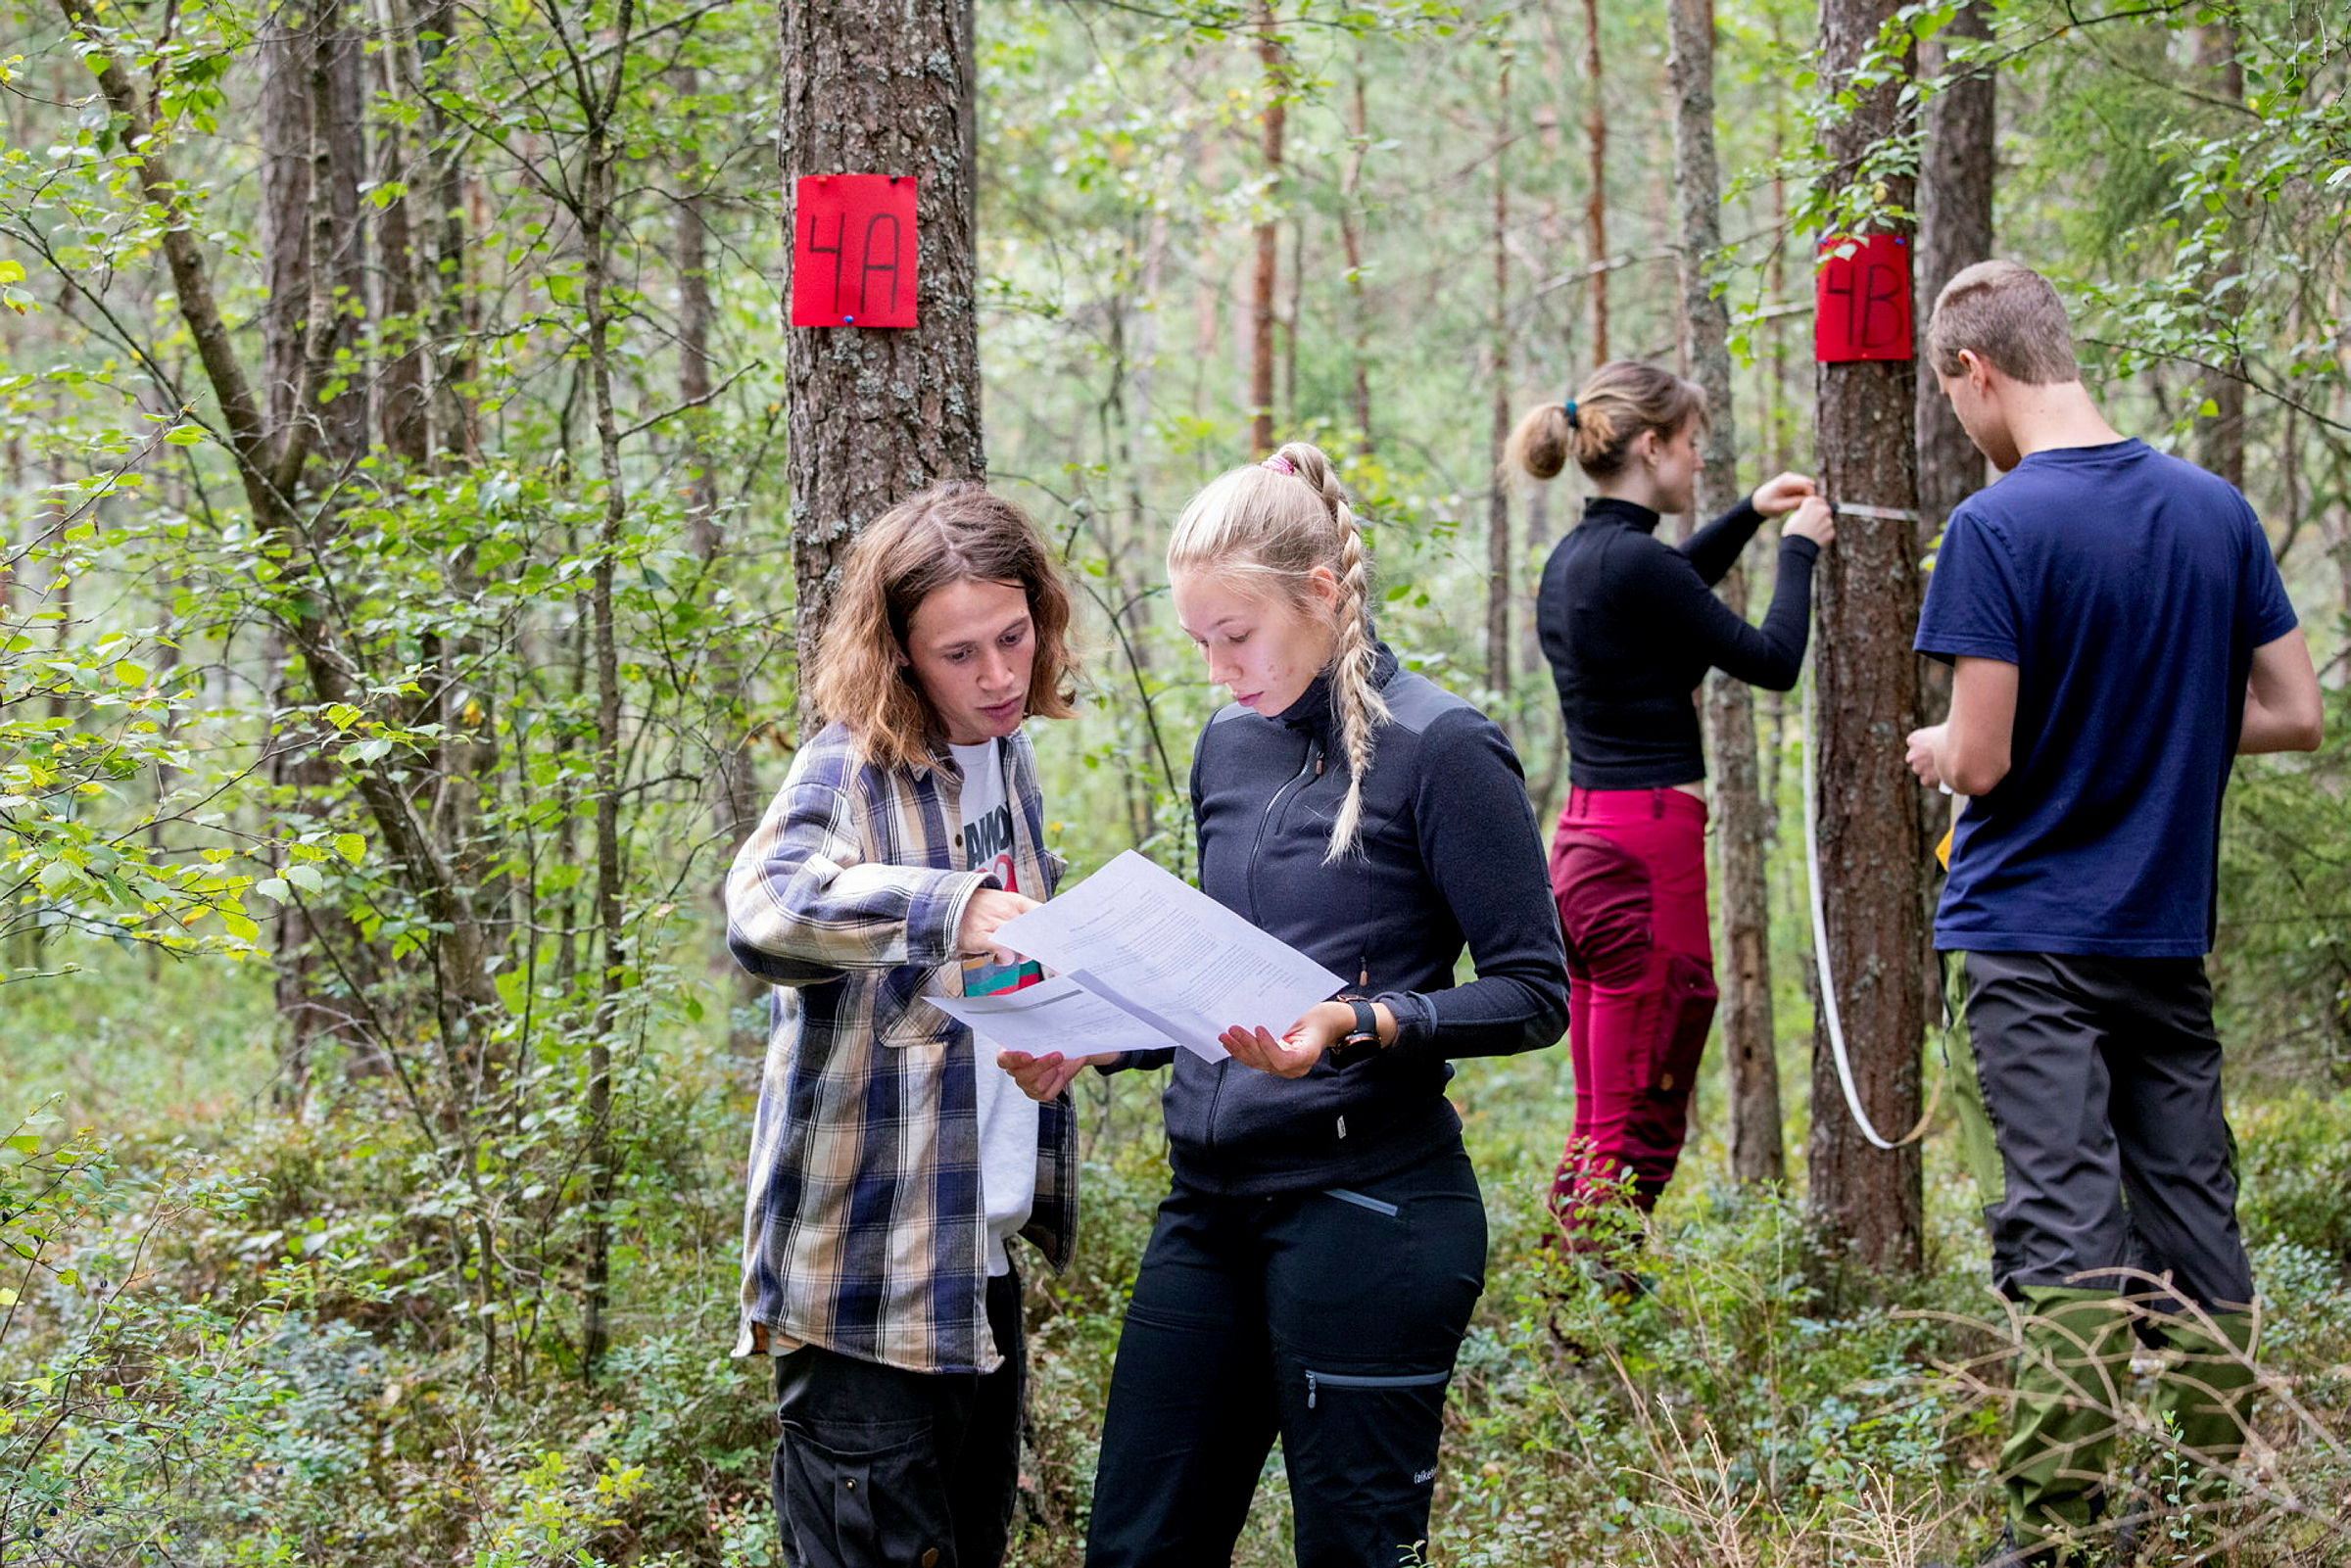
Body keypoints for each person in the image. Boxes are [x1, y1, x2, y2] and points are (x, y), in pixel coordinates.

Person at [1004, 442, 1570, 1568]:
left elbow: (1535, 991)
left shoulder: (1441, 748)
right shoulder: (1230, 741)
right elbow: (1225, 978)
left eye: (1236, 635)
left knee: (1355, 1553)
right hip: (1208, 1209)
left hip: (1372, 1210)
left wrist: (1360, 1023)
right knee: (1135, 1545)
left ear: (1322, 595)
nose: (1218, 668)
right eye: (1199, 639)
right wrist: (1101, 1035)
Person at [1904, 260, 2322, 1566]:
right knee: (2196, 1211)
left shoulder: (1999, 527)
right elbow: (2296, 712)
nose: (1964, 421)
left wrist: (1931, 750)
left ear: (1978, 369)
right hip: (2160, 929)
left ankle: (2062, 1534)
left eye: (1952, 393)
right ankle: (2204, 1512)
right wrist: (2165, 735)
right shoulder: (2213, 510)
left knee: (2064, 1227)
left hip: (2028, 934)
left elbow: (1981, 759)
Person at [723, 482, 1085, 1568]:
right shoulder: (852, 761)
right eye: (959, 653)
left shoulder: (1005, 751)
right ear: (900, 655)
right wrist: (951, 905)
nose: (998, 675)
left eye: (1013, 637)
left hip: (973, 1259)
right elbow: (765, 906)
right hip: (864, 1287)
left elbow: (982, 981)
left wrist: (1059, 1022)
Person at [1507, 362, 1835, 1245]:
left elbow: (1674, 589)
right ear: (1651, 446)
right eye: (1691, 447)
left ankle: (1579, 1308)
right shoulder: (1635, 564)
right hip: (1644, 859)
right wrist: (1799, 547)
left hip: (1585, 850)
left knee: (1605, 1112)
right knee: (1641, 1118)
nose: (1698, 464)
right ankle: (1590, 1312)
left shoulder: (1578, 559)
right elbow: (1771, 659)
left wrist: (1752, 515)